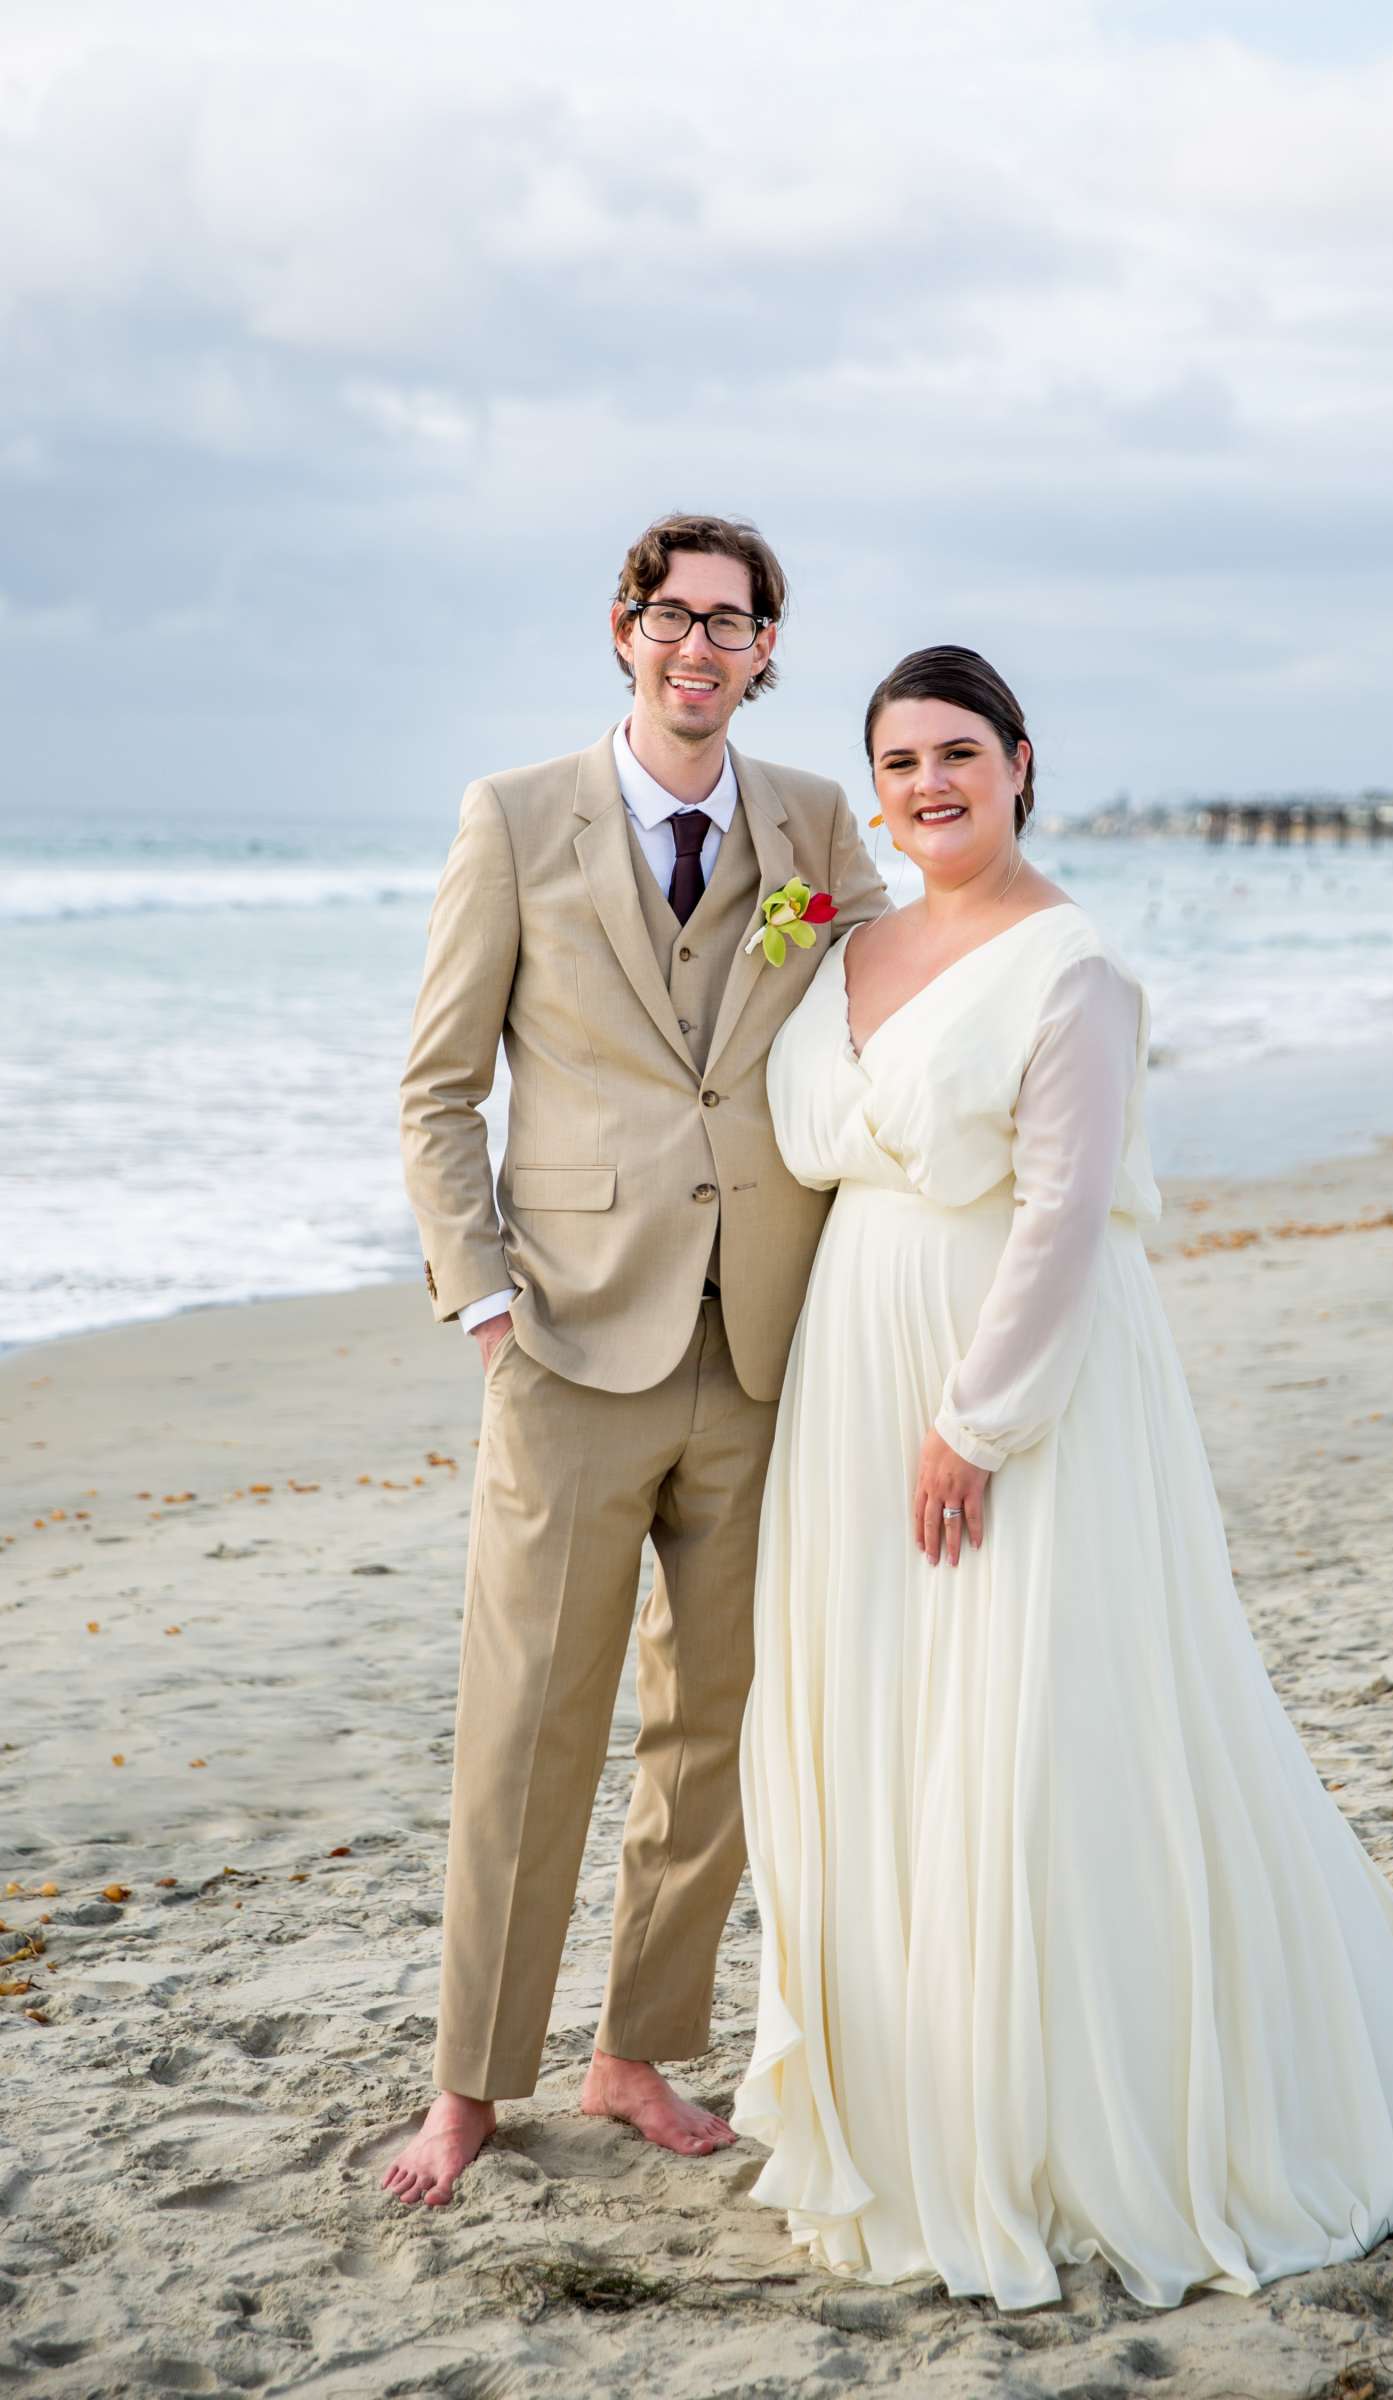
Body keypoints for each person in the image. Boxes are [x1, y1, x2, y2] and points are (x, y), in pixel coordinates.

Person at [730, 645, 1393, 2311]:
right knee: (881, 1715)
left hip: (1004, 1375)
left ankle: (1059, 2116)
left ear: (1024, 763)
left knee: (1030, 1726)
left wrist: (978, 1423)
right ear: (870, 785)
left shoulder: (1073, 967)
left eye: (959, 752)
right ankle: (909, 2088)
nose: (928, 784)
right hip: (844, 1367)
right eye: (897, 763)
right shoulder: (842, 946)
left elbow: (1064, 1212)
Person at [381, 513, 887, 2207]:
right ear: (624, 631)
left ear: (764, 651)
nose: (699, 648)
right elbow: (439, 1087)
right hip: (571, 1340)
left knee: (716, 1728)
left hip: (766, 1344)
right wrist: (482, 1300)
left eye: (732, 625)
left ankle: (633, 2053)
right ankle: (471, 2083)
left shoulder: (817, 825)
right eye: (673, 617)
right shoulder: (516, 819)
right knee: (530, 1722)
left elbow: (902, 1007)